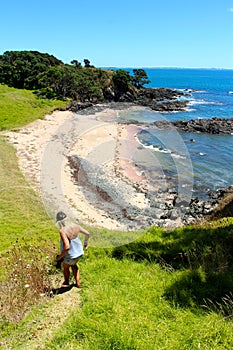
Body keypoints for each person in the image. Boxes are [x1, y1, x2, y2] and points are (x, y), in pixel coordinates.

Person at [56, 211, 90, 288]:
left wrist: (60, 257)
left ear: (59, 222)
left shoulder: (63, 231)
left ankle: (66, 282)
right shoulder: (76, 226)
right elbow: (87, 233)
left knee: (66, 267)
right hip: (79, 252)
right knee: (74, 265)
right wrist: (85, 242)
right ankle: (78, 284)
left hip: (70, 255)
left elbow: (67, 247)